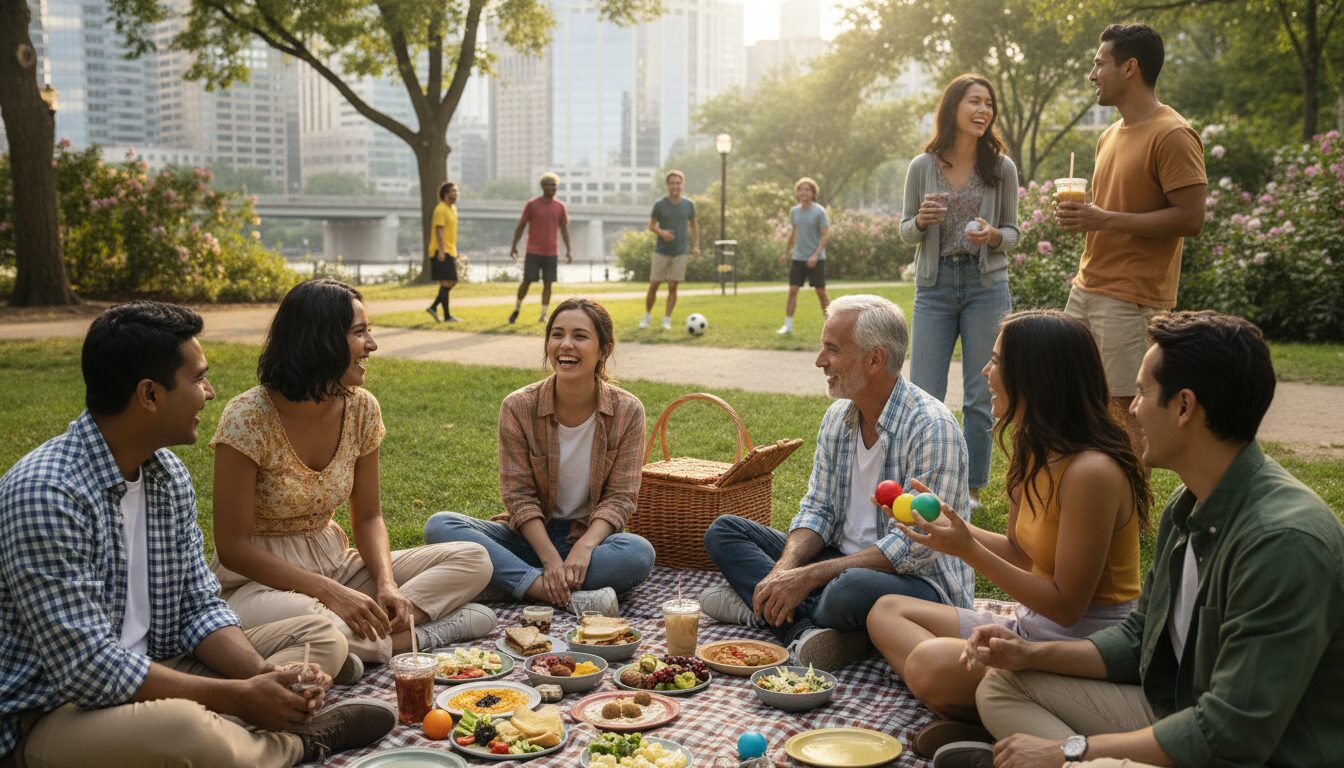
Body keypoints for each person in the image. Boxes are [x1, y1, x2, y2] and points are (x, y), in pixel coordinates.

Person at [0, 302, 394, 768]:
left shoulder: (166, 475)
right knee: (183, 730)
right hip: (55, 711)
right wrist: (236, 697)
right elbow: (88, 669)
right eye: (197, 379)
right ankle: (297, 744)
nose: (209, 393)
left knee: (321, 639)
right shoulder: (46, 495)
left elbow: (198, 606)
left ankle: (231, 731)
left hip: (161, 665)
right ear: (149, 395)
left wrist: (263, 677)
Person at [963, 311, 1344, 768]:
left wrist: (1069, 750)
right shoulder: (1189, 505)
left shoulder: (1282, 542)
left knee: (1078, 757)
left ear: (1184, 407)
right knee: (1004, 683)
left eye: (1143, 391)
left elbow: (1231, 732)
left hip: (1251, 752)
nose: (1133, 408)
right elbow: (1138, 637)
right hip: (1175, 709)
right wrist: (1029, 654)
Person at [865, 311, 1148, 764]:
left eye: (996, 361)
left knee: (928, 664)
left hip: (1082, 649)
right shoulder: (1033, 447)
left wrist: (968, 549)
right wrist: (947, 530)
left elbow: (1066, 604)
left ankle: (991, 712)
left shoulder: (1092, 471)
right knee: (885, 610)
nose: (985, 371)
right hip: (1027, 626)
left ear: (1036, 377)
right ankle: (984, 714)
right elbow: (1020, 551)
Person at [212, 279, 497, 680]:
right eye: (360, 332)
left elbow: (368, 517)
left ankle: (361, 640)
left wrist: (386, 584)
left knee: (473, 558)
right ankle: (421, 635)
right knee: (319, 621)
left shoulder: (361, 408)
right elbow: (232, 547)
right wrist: (330, 593)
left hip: (333, 559)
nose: (373, 345)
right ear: (321, 340)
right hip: (256, 583)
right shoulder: (247, 417)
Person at [701, 295, 972, 671]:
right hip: (839, 561)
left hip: (918, 583)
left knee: (849, 589)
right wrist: (785, 569)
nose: (819, 360)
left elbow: (913, 549)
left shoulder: (931, 427)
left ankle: (766, 608)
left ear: (874, 359)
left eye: (832, 349)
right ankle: (810, 632)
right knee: (724, 532)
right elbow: (819, 509)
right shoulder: (837, 419)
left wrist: (809, 576)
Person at [424, 298, 656, 616]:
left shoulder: (628, 411)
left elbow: (621, 498)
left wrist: (585, 547)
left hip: (589, 540)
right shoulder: (519, 406)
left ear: (604, 348)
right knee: (441, 526)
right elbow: (518, 497)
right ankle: (546, 590)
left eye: (580, 336)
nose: (566, 345)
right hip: (528, 538)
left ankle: (508, 580)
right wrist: (548, 558)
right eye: (557, 334)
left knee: (638, 554)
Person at [1057, 24, 1206, 449]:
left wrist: (1104, 219)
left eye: (1099, 63)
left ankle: (1128, 512)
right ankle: (1088, 498)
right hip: (1086, 288)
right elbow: (1110, 213)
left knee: (1124, 415)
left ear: (1130, 68)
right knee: (1072, 399)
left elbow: (1190, 218)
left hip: (1131, 297)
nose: (1092, 74)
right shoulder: (1109, 135)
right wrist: (1088, 218)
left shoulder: (1172, 133)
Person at [901, 74, 1020, 507]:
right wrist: (920, 222)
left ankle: (969, 489)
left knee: (980, 392)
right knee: (925, 391)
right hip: (934, 287)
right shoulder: (922, 166)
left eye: (989, 104)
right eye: (974, 101)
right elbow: (904, 232)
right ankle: (926, 481)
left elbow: (1013, 233)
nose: (983, 111)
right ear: (953, 107)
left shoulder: (1001, 168)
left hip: (984, 286)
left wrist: (992, 235)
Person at [508, 172, 573, 324]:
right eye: (549, 185)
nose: (552, 188)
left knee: (548, 283)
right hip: (533, 251)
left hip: (551, 252)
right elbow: (521, 226)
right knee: (527, 281)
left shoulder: (560, 206)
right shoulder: (532, 205)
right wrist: (514, 246)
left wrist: (569, 250)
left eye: (554, 185)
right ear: (543, 186)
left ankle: (543, 314)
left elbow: (564, 230)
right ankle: (517, 308)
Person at [642, 171, 700, 331]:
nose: (675, 186)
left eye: (678, 183)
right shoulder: (660, 204)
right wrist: (662, 233)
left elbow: (694, 225)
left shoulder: (689, 205)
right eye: (672, 183)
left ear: (682, 185)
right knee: (654, 284)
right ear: (667, 185)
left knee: (673, 286)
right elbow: (651, 225)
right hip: (661, 251)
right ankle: (647, 316)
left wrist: (696, 245)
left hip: (680, 251)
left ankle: (666, 319)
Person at [776, 177, 831, 335]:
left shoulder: (819, 211)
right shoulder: (794, 211)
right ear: (797, 193)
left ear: (813, 193)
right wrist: (786, 252)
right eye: (800, 189)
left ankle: (830, 326)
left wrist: (815, 255)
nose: (803, 192)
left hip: (816, 258)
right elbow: (794, 233)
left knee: (820, 292)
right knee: (793, 289)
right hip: (798, 257)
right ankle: (788, 325)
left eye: (807, 189)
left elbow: (824, 235)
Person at [426, 181, 463, 322]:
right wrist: (441, 251)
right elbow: (439, 231)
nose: (456, 194)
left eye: (456, 191)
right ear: (445, 194)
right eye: (453, 191)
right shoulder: (440, 209)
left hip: (449, 250)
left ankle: (434, 308)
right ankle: (446, 315)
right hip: (440, 251)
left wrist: (454, 251)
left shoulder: (452, 209)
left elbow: (450, 233)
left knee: (450, 282)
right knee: (447, 282)